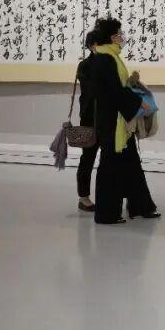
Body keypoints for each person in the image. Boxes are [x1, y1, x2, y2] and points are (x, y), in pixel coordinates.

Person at [87, 18, 159, 225]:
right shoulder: (105, 59)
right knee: (110, 167)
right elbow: (115, 92)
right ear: (112, 37)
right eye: (119, 34)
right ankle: (106, 214)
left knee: (132, 164)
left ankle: (140, 207)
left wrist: (133, 85)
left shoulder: (110, 57)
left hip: (117, 122)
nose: (122, 37)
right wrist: (139, 102)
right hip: (112, 123)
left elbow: (119, 87)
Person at [75, 30, 99, 213]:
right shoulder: (84, 65)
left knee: (111, 159)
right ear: (91, 46)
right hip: (89, 118)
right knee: (88, 158)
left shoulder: (110, 63)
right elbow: (92, 90)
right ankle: (84, 197)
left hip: (108, 119)